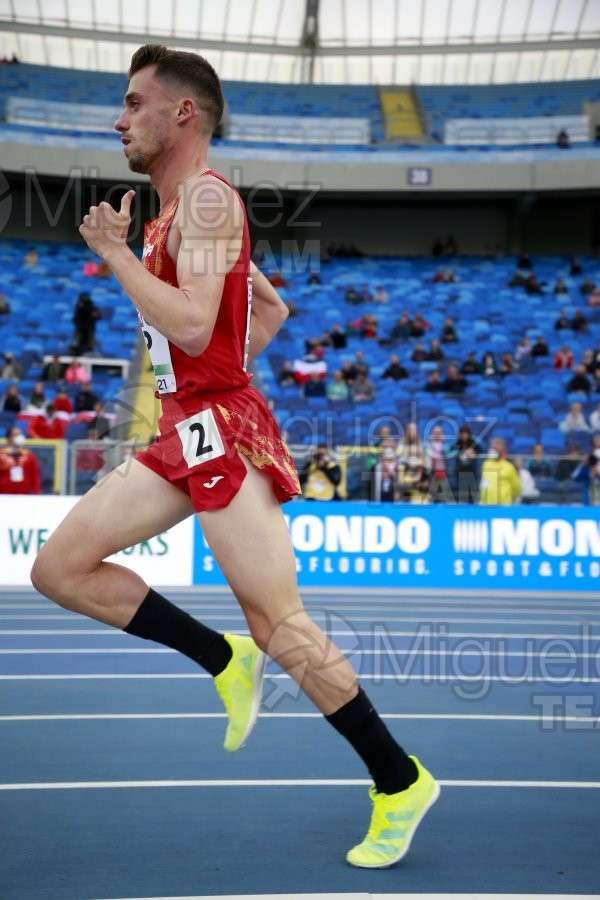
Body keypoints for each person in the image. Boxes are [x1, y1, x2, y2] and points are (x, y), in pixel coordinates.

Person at [29, 44, 438, 868]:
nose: (119, 118)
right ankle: (224, 659)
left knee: (283, 623)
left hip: (219, 429)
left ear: (182, 113)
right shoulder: (175, 215)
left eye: (135, 103)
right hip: (186, 426)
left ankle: (400, 782)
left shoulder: (207, 200)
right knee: (59, 569)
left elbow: (185, 325)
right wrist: (221, 324)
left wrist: (111, 256)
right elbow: (269, 311)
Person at [479, 438, 521, 505]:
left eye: (497, 448)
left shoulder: (509, 466)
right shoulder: (485, 464)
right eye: (493, 448)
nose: (494, 450)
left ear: (503, 449)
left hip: (503, 507)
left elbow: (517, 488)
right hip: (485, 506)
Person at [0, 426, 41, 494]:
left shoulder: (29, 456)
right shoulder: (1, 456)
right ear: (9, 438)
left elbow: (35, 477)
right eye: (16, 435)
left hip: (24, 495)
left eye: (20, 434)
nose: (20, 437)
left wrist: (36, 494)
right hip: (4, 495)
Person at [452, 425, 480, 503]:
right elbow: (450, 451)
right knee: (462, 490)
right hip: (460, 471)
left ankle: (471, 505)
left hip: (471, 471)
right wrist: (460, 453)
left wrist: (473, 454)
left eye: (466, 433)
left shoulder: (473, 443)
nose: (464, 436)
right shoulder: (457, 443)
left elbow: (481, 452)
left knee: (471, 490)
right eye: (462, 434)